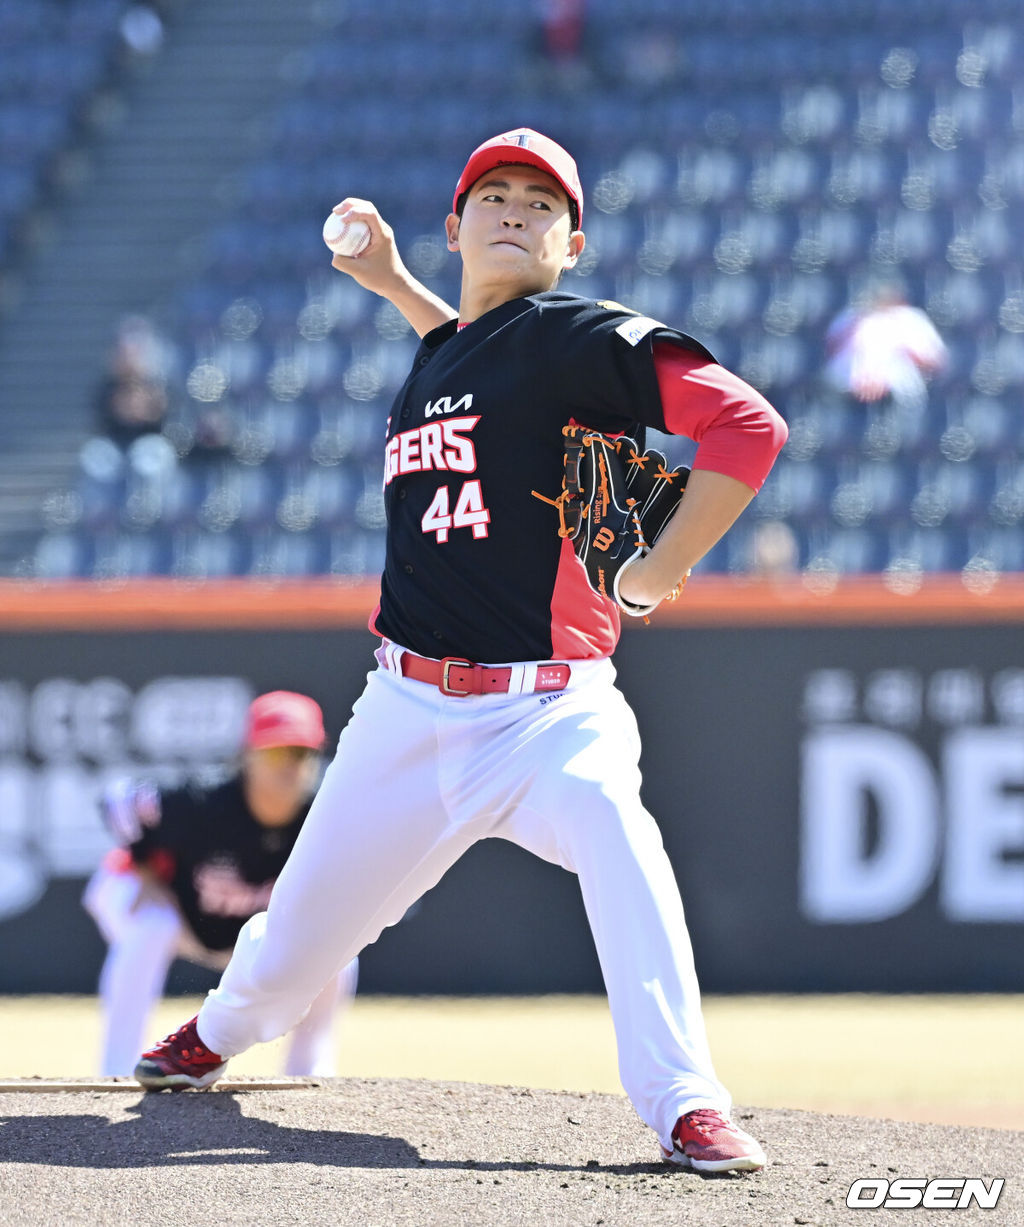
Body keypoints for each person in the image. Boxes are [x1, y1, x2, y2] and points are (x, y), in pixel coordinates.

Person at [134, 129, 788, 1172]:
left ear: (572, 244)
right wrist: (393, 283)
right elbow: (470, 354)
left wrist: (657, 569)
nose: (518, 211)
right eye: (495, 195)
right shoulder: (446, 357)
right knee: (298, 941)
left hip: (548, 712)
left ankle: (682, 1101)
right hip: (402, 712)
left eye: (543, 203)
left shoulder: (579, 337)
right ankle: (218, 1032)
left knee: (622, 843)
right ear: (454, 228)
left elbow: (747, 427)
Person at [85, 690, 357, 1078]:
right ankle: (115, 1070)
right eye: (277, 752)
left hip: (242, 930)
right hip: (176, 912)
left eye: (301, 754)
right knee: (149, 925)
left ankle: (310, 1074)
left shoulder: (322, 819)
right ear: (248, 754)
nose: (290, 766)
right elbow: (118, 799)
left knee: (339, 956)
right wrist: (145, 868)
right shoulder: (201, 802)